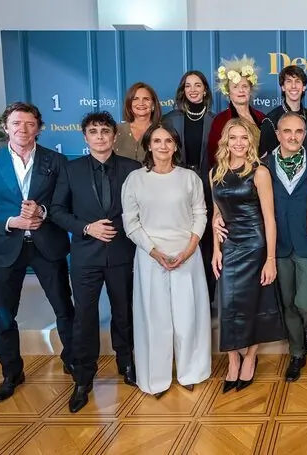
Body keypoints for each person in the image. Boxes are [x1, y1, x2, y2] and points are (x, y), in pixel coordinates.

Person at [215, 112, 307, 382]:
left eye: (298, 131)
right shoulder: (264, 164)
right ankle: (297, 353)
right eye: (287, 131)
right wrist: (217, 220)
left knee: (306, 303)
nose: (293, 136)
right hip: (277, 245)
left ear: (305, 135)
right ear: (278, 134)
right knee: (287, 304)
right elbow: (230, 201)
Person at [51, 111, 142, 413]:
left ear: (115, 136)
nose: (100, 136)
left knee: (124, 313)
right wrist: (87, 228)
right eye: (94, 131)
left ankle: (126, 364)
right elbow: (57, 210)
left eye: (105, 131)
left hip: (122, 254)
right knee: (85, 317)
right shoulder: (71, 169)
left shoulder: (132, 168)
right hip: (85, 256)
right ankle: (83, 377)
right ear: (85, 137)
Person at [121, 123, 211, 398]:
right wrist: (154, 251)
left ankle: (190, 372)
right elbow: (131, 222)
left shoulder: (190, 178)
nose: (163, 146)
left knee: (188, 317)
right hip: (151, 257)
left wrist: (189, 249)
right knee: (154, 319)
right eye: (157, 141)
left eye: (168, 141)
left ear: (175, 146)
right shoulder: (135, 180)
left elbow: (201, 214)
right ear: (149, 145)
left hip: (187, 254)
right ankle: (155, 378)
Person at [0, 102, 74, 402]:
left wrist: (42, 211)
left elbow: (66, 203)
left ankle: (73, 361)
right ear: (6, 127)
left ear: (39, 127)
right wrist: (10, 221)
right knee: (4, 316)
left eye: (29, 123)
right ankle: (11, 373)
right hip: (6, 249)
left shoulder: (57, 161)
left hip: (47, 246)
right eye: (16, 123)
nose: (23, 129)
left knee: (64, 309)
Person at [211, 117, 285, 393]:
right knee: (228, 306)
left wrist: (270, 259)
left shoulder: (259, 172)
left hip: (255, 245)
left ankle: (250, 357)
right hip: (229, 247)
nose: (239, 143)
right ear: (226, 141)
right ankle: (233, 360)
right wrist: (216, 250)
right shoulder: (215, 172)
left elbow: (270, 219)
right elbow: (216, 215)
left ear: (251, 141)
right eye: (233, 138)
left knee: (255, 304)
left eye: (244, 138)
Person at [162, 70, 217, 303]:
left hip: (207, 186)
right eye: (188, 86)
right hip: (178, 184)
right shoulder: (170, 119)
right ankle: (183, 296)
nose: (193, 90)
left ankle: (207, 297)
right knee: (182, 236)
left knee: (207, 239)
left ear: (205, 90)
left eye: (197, 85)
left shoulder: (215, 120)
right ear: (182, 91)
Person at [207, 55, 266, 170]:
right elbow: (213, 155)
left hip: (261, 172)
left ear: (250, 89)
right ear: (228, 91)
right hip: (233, 174)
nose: (241, 90)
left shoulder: (261, 117)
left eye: (245, 86)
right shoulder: (220, 120)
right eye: (235, 87)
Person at [259, 65, 307, 157]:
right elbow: (265, 158)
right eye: (289, 81)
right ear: (282, 87)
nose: (293, 86)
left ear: (304, 87)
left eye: (297, 81)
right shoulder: (271, 120)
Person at [114, 82, 161, 163]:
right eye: (135, 99)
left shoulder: (163, 131)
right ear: (129, 104)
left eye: (146, 99)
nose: (141, 103)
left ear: (153, 105)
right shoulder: (115, 130)